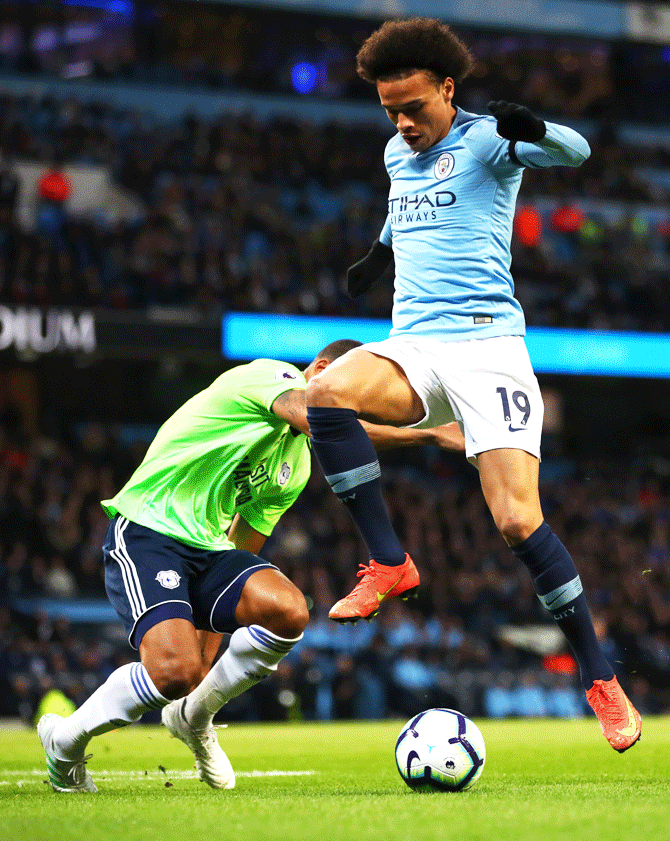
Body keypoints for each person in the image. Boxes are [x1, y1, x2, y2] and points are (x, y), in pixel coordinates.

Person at [304, 18, 641, 752]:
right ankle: (390, 562)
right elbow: (404, 213)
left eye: (414, 107)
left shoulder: (489, 141)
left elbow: (577, 152)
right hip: (415, 342)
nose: (401, 122)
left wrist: (536, 129)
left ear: (448, 89)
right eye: (389, 109)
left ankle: (599, 677)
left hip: (489, 348)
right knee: (324, 391)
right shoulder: (397, 150)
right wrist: (375, 254)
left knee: (518, 522)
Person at [38, 339, 465, 792]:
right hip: (149, 529)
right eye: (350, 396)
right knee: (174, 673)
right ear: (321, 370)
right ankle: (63, 741)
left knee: (288, 610)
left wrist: (212, 638)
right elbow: (319, 419)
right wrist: (426, 434)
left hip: (208, 548)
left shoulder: (296, 467)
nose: (351, 411)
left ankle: (195, 716)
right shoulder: (270, 376)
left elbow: (243, 545)